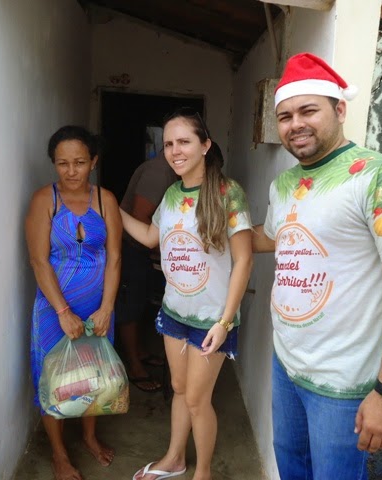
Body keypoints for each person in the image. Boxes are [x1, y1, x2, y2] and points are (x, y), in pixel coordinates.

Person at [252, 53, 382, 479]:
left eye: (308, 110)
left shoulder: (380, 177)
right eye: (285, 116)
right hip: (286, 365)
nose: (296, 123)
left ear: (340, 109)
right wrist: (216, 227)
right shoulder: (285, 184)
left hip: (343, 383)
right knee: (291, 467)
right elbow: (273, 237)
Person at [121, 108, 253, 480]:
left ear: (205, 145)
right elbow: (150, 237)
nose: (175, 151)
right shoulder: (171, 194)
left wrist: (225, 322)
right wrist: (113, 209)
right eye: (168, 144)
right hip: (174, 313)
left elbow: (244, 260)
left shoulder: (228, 193)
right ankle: (174, 459)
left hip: (212, 319)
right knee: (179, 389)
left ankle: (203, 472)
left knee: (197, 400)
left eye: (184, 142)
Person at [25, 125, 122, 480]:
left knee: (94, 374)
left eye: (79, 162)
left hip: (97, 305)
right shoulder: (44, 200)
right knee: (52, 375)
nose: (71, 171)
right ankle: (59, 453)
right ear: (54, 163)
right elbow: (39, 261)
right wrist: (63, 311)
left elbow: (114, 258)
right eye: (62, 163)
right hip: (54, 306)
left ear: (93, 161)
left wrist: (107, 307)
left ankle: (90, 437)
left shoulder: (106, 200)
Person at [116, 149, 177, 392]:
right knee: (130, 306)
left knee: (140, 302)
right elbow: (140, 217)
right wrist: (163, 253)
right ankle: (134, 367)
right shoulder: (159, 172)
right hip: (132, 246)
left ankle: (139, 352)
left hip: (141, 247)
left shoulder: (167, 171)